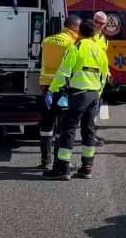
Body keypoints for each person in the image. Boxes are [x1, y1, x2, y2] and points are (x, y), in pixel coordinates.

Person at [43, 19, 109, 180]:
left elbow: (63, 72)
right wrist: (98, 94)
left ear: (79, 32)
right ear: (94, 33)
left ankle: (62, 169)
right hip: (94, 95)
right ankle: (87, 167)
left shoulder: (76, 47)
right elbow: (104, 76)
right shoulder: (100, 51)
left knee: (68, 129)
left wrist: (51, 91)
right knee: (88, 130)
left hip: (78, 94)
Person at [38, 14, 81, 169]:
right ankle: (58, 161)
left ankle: (45, 159)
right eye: (79, 27)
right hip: (62, 89)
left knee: (46, 124)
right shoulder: (73, 43)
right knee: (62, 126)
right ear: (74, 27)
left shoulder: (47, 40)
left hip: (45, 88)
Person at [91, 11, 109, 146]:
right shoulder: (85, 34)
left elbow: (103, 57)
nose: (98, 25)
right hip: (85, 76)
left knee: (95, 108)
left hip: (98, 79)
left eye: (101, 23)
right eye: (96, 21)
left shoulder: (104, 38)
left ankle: (91, 134)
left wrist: (107, 71)